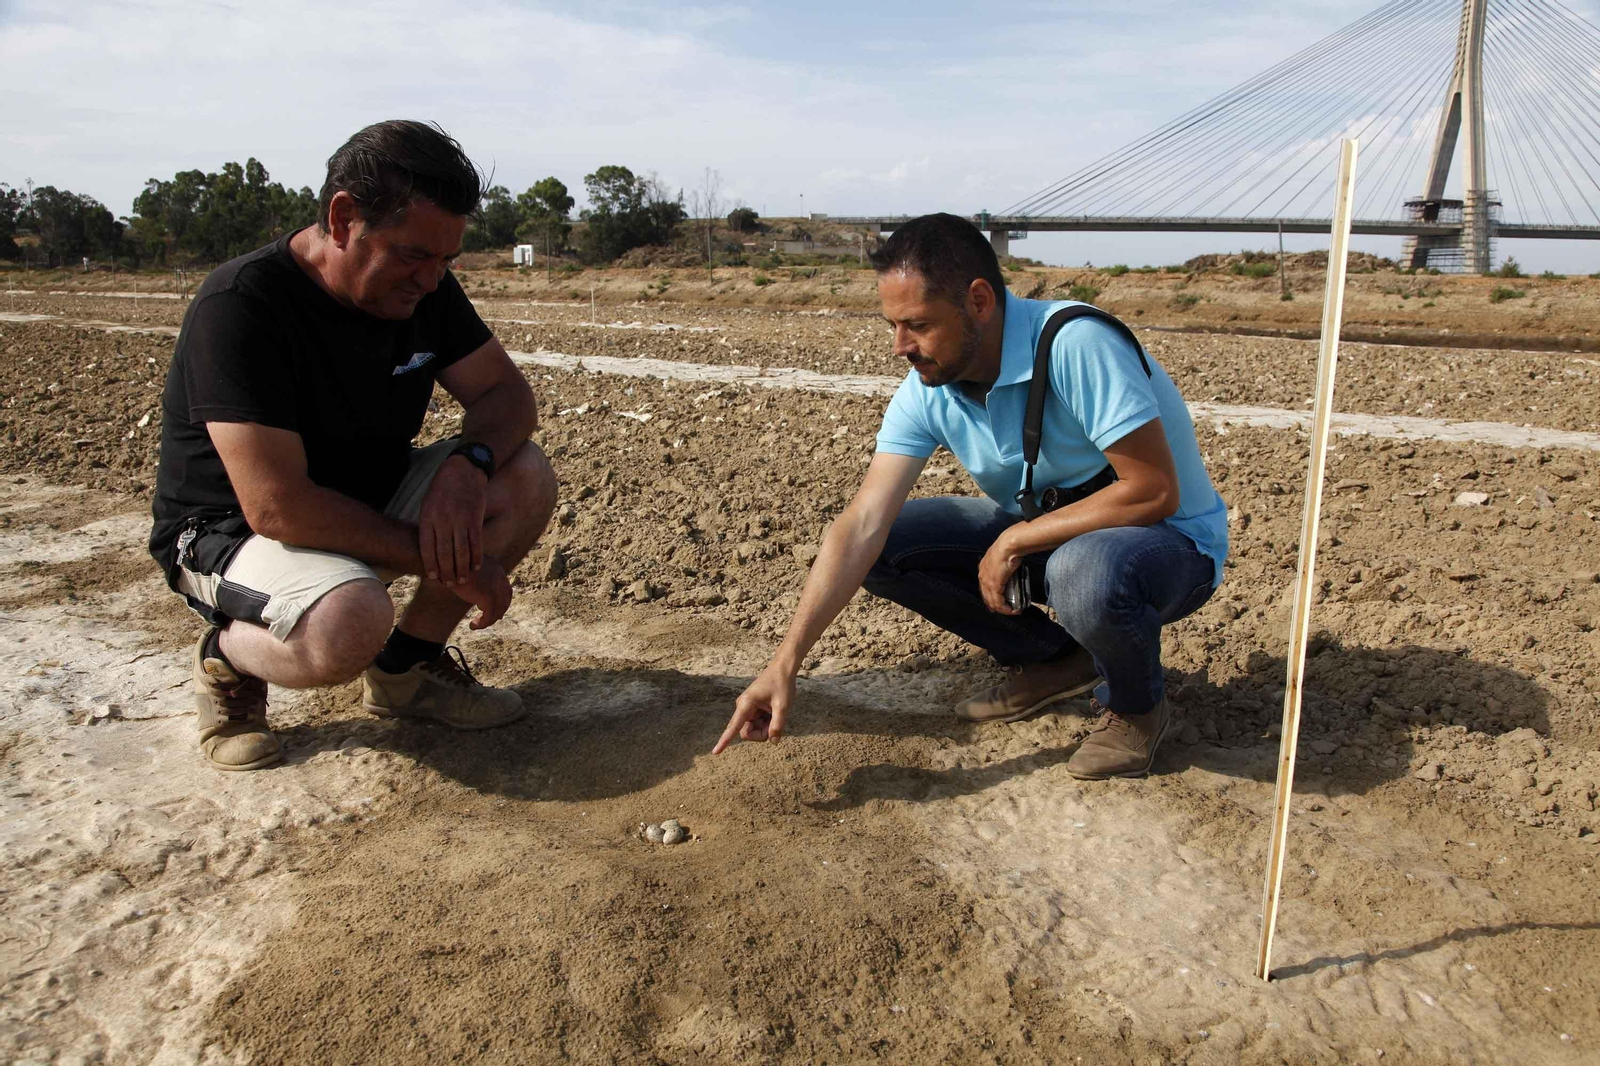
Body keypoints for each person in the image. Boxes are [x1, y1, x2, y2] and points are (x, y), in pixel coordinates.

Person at [713, 213, 1227, 779]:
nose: (899, 346)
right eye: (892, 325)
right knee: (888, 545)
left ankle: (1136, 705)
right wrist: (785, 663)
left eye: (917, 325)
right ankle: (1057, 660)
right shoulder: (927, 388)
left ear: (979, 300)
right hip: (1060, 531)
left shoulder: (1075, 343)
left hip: (1169, 545)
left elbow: (1152, 490)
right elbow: (862, 522)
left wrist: (1017, 537)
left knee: (1086, 570)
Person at [149, 120, 558, 772]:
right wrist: (454, 564)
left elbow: (507, 398)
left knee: (524, 474)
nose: (430, 279)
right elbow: (277, 506)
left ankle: (406, 672)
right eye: (413, 255)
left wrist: (466, 465)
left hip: (362, 497)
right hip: (230, 535)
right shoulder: (242, 305)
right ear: (343, 218)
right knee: (348, 621)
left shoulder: (424, 291)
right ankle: (225, 660)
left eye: (446, 260)